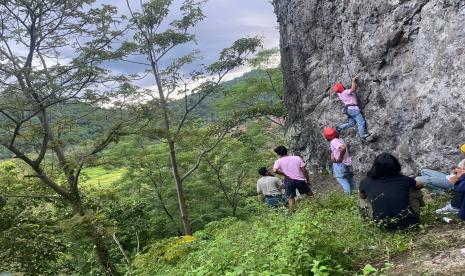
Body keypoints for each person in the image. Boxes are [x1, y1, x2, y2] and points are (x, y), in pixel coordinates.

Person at [359, 153, 424, 231]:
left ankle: (367, 220)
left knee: (361, 198)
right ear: (396, 166)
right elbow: (421, 185)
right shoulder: (405, 180)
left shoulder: (365, 181)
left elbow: (362, 197)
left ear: (375, 167)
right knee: (415, 189)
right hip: (411, 224)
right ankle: (413, 214)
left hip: (382, 226)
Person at [416, 144, 465, 214]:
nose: (462, 152)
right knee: (423, 171)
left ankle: (445, 194)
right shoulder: (463, 160)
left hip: (453, 182)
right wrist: (457, 171)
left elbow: (460, 176)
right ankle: (445, 190)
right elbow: (456, 171)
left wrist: (458, 171)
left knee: (418, 179)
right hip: (449, 177)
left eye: (463, 151)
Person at [273, 146, 313, 211]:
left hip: (288, 181)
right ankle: (317, 206)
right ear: (286, 150)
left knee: (291, 198)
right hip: (300, 180)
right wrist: (307, 180)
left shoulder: (278, 161)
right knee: (310, 195)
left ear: (278, 154)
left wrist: (283, 174)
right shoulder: (297, 158)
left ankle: (293, 214)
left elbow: (275, 170)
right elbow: (304, 170)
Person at [323, 127, 356, 194]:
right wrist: (333, 154)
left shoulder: (333, 141)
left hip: (340, 164)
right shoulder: (339, 139)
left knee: (343, 181)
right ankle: (355, 195)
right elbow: (339, 149)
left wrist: (340, 157)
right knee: (350, 180)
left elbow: (343, 148)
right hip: (348, 163)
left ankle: (349, 199)